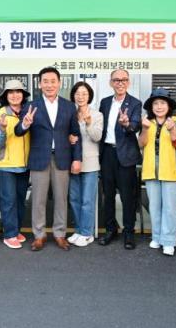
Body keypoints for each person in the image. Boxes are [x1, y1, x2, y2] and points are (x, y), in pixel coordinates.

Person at [15, 67, 82, 251]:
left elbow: (75, 134)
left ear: (59, 83)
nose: (49, 85)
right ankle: (39, 235)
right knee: (38, 199)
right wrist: (25, 124)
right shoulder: (31, 106)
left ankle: (60, 234)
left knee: (61, 199)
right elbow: (18, 131)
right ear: (40, 84)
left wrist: (77, 158)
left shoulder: (69, 106)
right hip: (39, 158)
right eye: (45, 81)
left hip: (62, 157)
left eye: (53, 81)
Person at [98, 69, 142, 250]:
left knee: (127, 197)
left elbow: (136, 125)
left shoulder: (135, 103)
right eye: (116, 80)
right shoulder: (104, 102)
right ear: (111, 83)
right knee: (108, 196)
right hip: (107, 153)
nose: (120, 83)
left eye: (124, 80)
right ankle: (110, 229)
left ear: (128, 82)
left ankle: (129, 232)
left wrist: (127, 124)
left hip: (125, 156)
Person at [139, 88, 176, 256]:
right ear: (151, 107)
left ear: (168, 106)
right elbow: (141, 144)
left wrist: (172, 130)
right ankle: (157, 236)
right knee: (154, 206)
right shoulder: (147, 122)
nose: (159, 106)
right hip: (151, 170)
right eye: (156, 103)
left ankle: (169, 241)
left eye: (162, 103)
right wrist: (144, 129)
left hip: (170, 170)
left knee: (170, 208)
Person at [0, 79, 31, 249]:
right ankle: (9, 234)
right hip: (7, 164)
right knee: (8, 201)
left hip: (25, 164)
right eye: (11, 92)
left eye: (18, 92)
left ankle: (16, 230)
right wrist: (2, 129)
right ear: (6, 96)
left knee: (21, 200)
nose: (15, 95)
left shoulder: (27, 112)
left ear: (23, 95)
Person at [68, 81, 103, 247]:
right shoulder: (70, 113)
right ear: (73, 96)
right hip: (73, 162)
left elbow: (97, 137)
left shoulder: (97, 115)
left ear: (89, 96)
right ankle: (79, 230)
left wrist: (88, 123)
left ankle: (87, 233)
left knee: (87, 200)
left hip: (90, 162)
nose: (80, 97)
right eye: (77, 94)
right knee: (74, 199)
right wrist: (68, 138)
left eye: (84, 94)